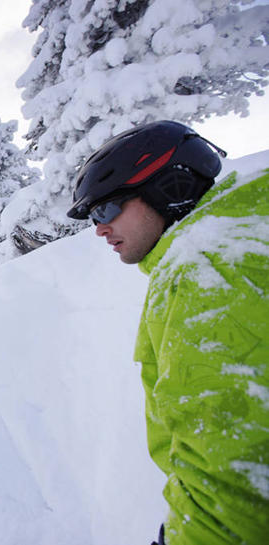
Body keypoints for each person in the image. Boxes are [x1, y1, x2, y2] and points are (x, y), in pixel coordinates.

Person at [67, 120, 268, 545]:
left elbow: (236, 465)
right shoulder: (244, 238)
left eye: (106, 209)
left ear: (170, 188)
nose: (99, 228)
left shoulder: (205, 271)